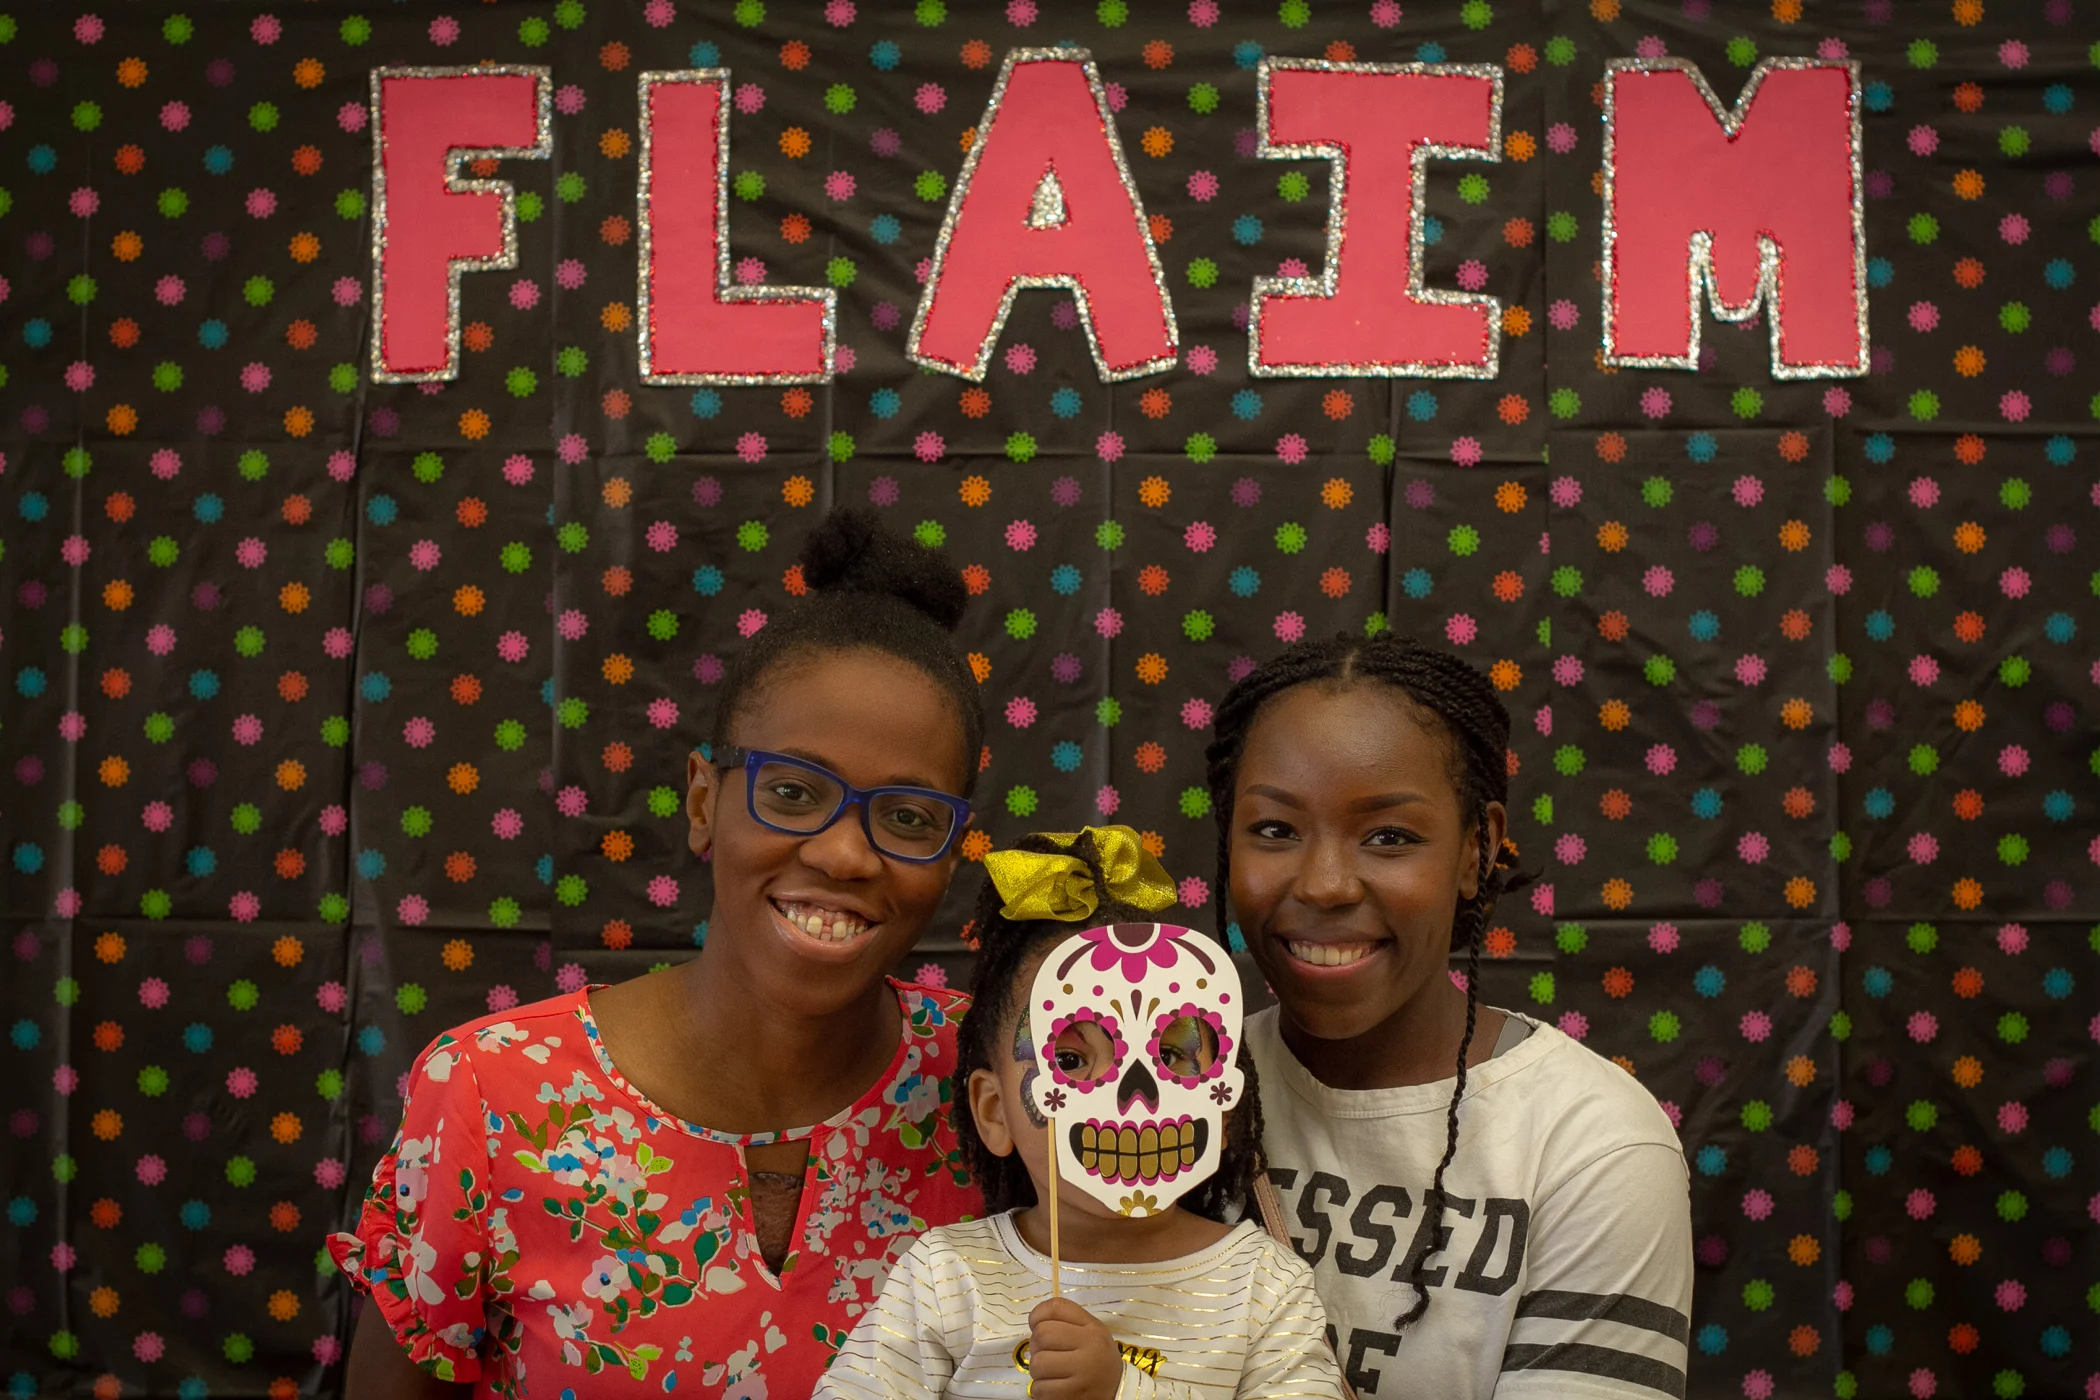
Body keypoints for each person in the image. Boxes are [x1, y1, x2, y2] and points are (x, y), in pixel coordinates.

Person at [332, 509, 988, 1398]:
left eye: (908, 817)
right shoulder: (489, 1096)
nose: (844, 855)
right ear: (704, 802)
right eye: (793, 793)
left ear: (952, 856)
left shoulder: (999, 1090)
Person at [1205, 634, 1694, 1400]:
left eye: (1389, 837)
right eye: (1275, 830)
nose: (1326, 884)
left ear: (1477, 849)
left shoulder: (1591, 1145)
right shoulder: (1165, 1094)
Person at [816, 827, 1349, 1400]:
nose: (1136, 1096)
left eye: (1173, 1054)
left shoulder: (1263, 1286)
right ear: (995, 1112)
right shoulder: (946, 1277)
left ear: (1224, 1101)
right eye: (1071, 1060)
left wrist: (1123, 1390)